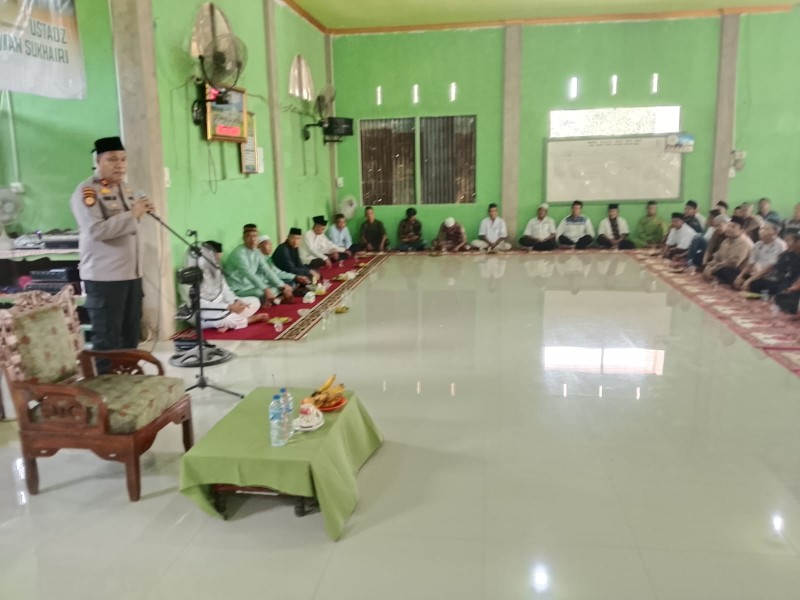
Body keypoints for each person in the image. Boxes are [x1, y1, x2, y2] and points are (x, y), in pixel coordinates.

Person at [70, 136, 154, 358]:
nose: (120, 165)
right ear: (98, 161)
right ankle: (107, 389)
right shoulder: (87, 191)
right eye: (113, 159)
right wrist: (133, 214)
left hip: (131, 274)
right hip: (105, 277)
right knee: (108, 339)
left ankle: (129, 385)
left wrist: (138, 213)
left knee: (130, 335)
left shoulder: (125, 189)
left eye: (124, 159)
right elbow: (96, 231)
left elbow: (127, 225)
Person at [183, 241, 265, 332]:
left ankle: (230, 320)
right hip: (202, 312)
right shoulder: (187, 277)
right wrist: (227, 307)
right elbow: (198, 304)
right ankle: (246, 320)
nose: (216, 262)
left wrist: (235, 301)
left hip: (223, 306)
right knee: (225, 318)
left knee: (254, 301)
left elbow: (226, 290)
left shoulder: (215, 270)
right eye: (214, 259)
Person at [224, 226, 293, 305]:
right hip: (239, 289)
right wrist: (266, 290)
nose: (252, 239)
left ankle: (273, 299)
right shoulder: (238, 253)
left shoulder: (257, 251)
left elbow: (266, 270)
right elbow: (249, 274)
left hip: (252, 285)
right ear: (243, 238)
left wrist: (282, 286)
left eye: (254, 236)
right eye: (248, 236)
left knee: (280, 286)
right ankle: (272, 299)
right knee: (261, 292)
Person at [744, 229, 800, 297]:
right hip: (780, 281)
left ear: (798, 242)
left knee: (784, 292)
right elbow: (777, 269)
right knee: (755, 283)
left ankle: (776, 295)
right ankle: (772, 294)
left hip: (793, 284)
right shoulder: (786, 254)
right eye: (786, 241)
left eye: (789, 240)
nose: (786, 243)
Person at [733, 223, 788, 290]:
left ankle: (749, 285)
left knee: (754, 284)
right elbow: (750, 263)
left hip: (770, 277)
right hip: (755, 274)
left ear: (775, 232)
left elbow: (769, 267)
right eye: (761, 229)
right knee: (731, 274)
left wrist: (750, 280)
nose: (762, 231)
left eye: (766, 229)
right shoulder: (758, 244)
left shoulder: (780, 245)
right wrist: (740, 276)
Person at [702, 216, 754, 285]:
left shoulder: (743, 242)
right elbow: (717, 257)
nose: (729, 229)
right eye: (729, 226)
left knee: (723, 270)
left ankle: (741, 283)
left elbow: (733, 263)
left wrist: (714, 268)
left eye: (733, 227)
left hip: (741, 272)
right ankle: (718, 277)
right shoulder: (726, 240)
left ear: (741, 231)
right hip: (724, 266)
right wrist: (709, 265)